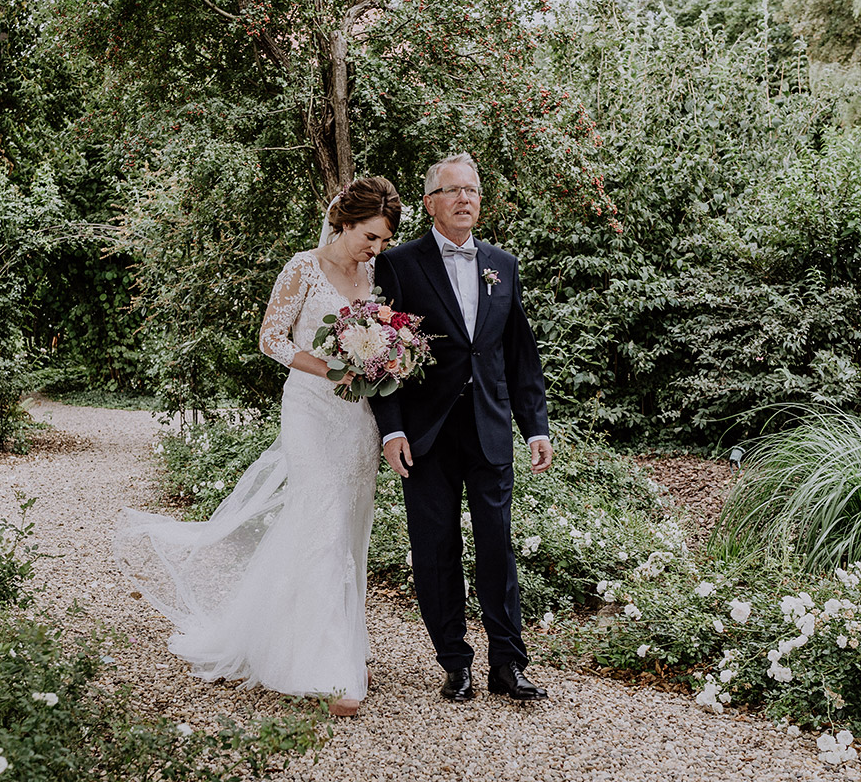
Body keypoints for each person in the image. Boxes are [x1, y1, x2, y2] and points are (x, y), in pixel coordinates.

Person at [115, 177, 403, 717]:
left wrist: (386, 359)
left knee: (350, 526)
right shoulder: (302, 267)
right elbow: (271, 338)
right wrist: (330, 368)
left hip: (357, 419)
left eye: (383, 240)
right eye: (370, 236)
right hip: (312, 411)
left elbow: (382, 337)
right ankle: (319, 666)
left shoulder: (374, 275)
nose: (376, 249)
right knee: (320, 516)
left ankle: (344, 643)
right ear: (344, 221)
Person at [369, 153, 554, 702]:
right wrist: (391, 430)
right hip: (425, 436)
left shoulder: (504, 264)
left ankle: (508, 664)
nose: (465, 199)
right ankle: (455, 662)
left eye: (472, 190)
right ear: (431, 202)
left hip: (490, 429)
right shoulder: (399, 264)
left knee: (497, 545)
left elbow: (518, 353)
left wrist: (536, 427)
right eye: (453, 191)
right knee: (435, 550)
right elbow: (379, 357)